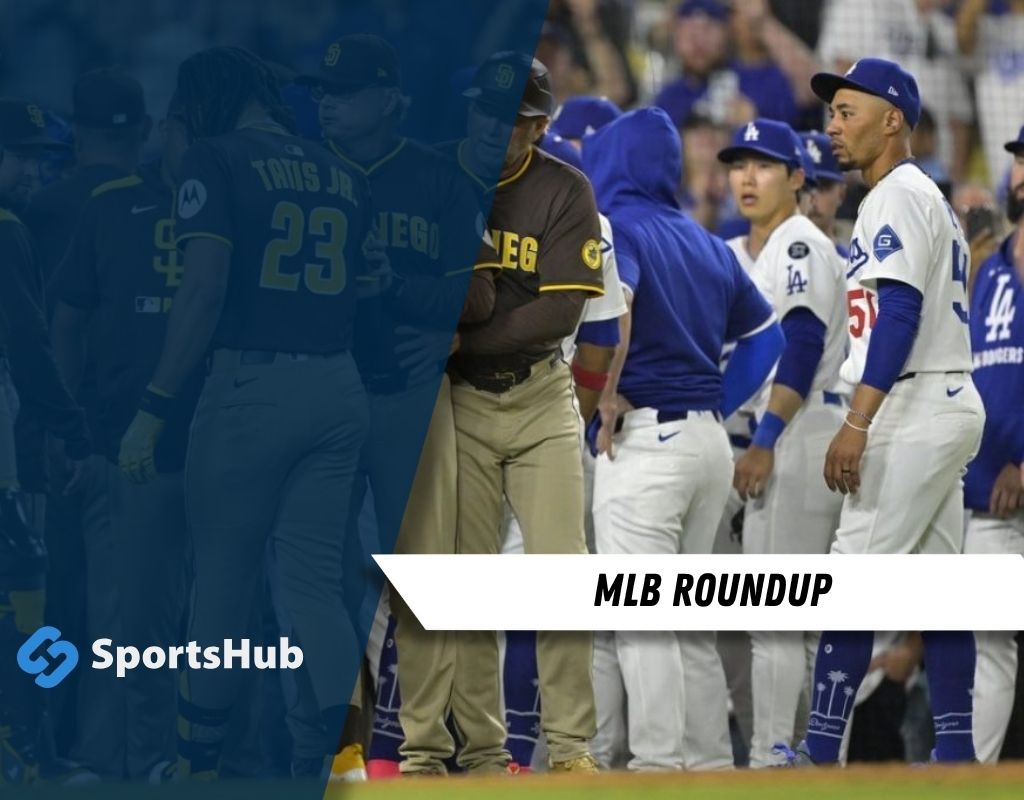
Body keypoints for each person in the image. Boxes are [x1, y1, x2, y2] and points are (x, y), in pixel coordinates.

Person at [117, 46, 375, 780]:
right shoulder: (342, 173)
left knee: (222, 583)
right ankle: (344, 761)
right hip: (336, 386)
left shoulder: (216, 159)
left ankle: (195, 763)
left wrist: (154, 407)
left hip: (249, 388)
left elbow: (201, 291)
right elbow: (357, 291)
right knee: (314, 588)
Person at [781, 57, 985, 767]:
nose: (832, 127)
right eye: (831, 114)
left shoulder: (897, 194)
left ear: (892, 119)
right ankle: (957, 752)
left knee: (851, 582)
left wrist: (858, 421)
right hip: (947, 399)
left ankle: (818, 751)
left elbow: (898, 312)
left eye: (847, 112)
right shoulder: (920, 195)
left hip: (913, 403)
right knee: (939, 586)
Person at [300, 33, 490, 778]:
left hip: (409, 398)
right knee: (319, 577)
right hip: (323, 392)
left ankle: (419, 747)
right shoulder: (305, 172)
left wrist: (426, 325)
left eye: (342, 92)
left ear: (387, 100)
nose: (326, 102)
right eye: (321, 91)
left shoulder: (438, 179)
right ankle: (332, 737)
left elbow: (476, 293)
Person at [583, 106, 783, 771]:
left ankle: (658, 769)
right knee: (690, 624)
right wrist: (715, 403)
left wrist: (605, 396)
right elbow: (768, 337)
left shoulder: (618, 226)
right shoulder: (700, 237)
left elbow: (622, 307)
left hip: (647, 442)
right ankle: (708, 768)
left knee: (641, 618)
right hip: (706, 447)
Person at [446, 52, 604, 774]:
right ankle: (481, 753)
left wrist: (455, 334)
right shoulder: (442, 178)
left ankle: (571, 751)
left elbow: (559, 313)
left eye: (503, 115)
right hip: (459, 403)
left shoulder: (565, 190)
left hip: (541, 395)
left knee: (560, 579)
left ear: (536, 127)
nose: (486, 123)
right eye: (478, 107)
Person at [48, 96, 195, 780]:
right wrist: (71, 428)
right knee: (116, 610)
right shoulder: (106, 204)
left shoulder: (228, 200)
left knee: (204, 617)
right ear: (151, 131)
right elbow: (69, 321)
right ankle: (114, 756)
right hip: (119, 438)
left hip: (214, 438)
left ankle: (184, 758)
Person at [718, 118, 847, 767]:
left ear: (798, 178)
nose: (746, 176)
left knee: (774, 611)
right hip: (809, 429)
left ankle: (773, 758)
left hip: (798, 431)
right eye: (738, 164)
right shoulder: (782, 247)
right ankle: (810, 756)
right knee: (805, 618)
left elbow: (800, 344)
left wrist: (765, 439)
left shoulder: (796, 244)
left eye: (763, 164)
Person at [0, 96, 91, 786]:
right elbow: (27, 343)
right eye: (22, 155)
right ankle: (31, 750)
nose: (35, 170)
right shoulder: (7, 229)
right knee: (23, 585)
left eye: (42, 157)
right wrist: (66, 420)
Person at [963, 124, 1024, 764]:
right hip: (988, 496)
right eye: (1018, 161)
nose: (1022, 173)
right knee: (988, 638)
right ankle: (971, 776)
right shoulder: (993, 267)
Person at [654, 0, 798, 128]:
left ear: (728, 32)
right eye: (689, 33)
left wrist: (756, 124)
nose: (697, 43)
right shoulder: (668, 98)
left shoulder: (763, 80)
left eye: (707, 30)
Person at [798, 130, 848, 255]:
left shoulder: (852, 269)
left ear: (841, 194)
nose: (811, 198)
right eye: (803, 187)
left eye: (823, 187)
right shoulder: (763, 258)